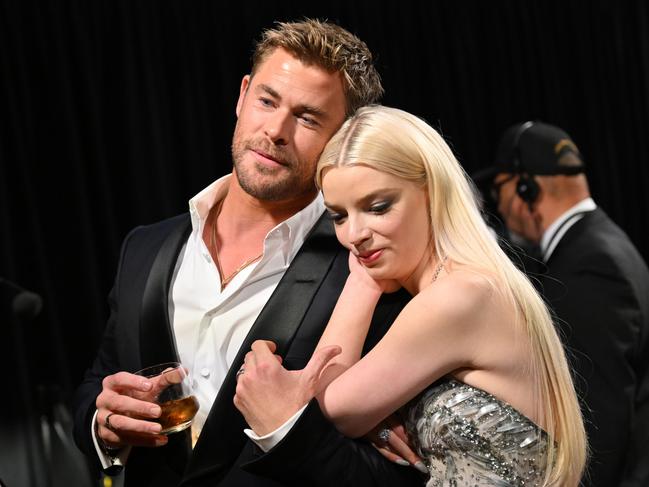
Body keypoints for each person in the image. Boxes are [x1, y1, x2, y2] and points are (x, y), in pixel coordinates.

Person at [72, 19, 425, 487]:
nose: (276, 130)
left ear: (342, 138)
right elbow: (98, 380)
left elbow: (396, 474)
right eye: (267, 100)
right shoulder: (145, 246)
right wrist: (102, 425)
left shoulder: (365, 267)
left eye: (308, 117)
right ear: (242, 95)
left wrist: (296, 431)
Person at [233, 106, 588, 486]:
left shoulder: (459, 295)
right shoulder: (465, 285)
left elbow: (331, 408)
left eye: (377, 207)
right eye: (339, 215)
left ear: (431, 193)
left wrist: (361, 285)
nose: (354, 234)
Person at [474, 121, 649, 486]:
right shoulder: (603, 242)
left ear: (526, 187)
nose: (500, 204)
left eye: (499, 188)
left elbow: (600, 410)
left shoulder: (589, 264)